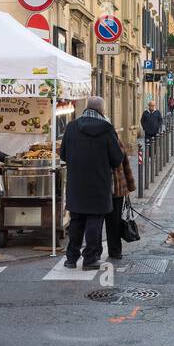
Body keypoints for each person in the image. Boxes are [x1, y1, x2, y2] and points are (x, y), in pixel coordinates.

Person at [59, 95, 125, 270]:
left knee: (76, 221)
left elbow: (63, 155)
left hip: (76, 183)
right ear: (102, 110)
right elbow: (117, 159)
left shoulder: (72, 127)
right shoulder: (107, 129)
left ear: (86, 108)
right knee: (94, 221)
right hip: (99, 183)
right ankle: (89, 259)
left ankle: (71, 258)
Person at [107, 138, 136, 260]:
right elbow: (125, 164)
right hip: (117, 187)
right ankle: (114, 251)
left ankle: (96, 253)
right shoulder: (115, 139)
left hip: (103, 189)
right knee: (114, 221)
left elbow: (125, 163)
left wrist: (130, 186)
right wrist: (130, 186)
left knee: (97, 221)